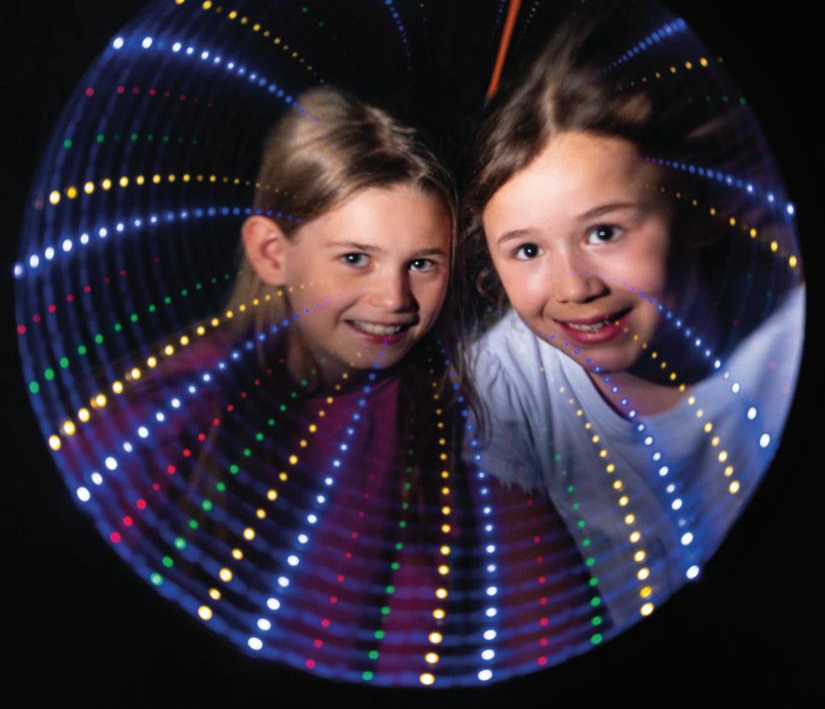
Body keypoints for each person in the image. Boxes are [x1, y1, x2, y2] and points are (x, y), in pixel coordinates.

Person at [63, 86, 603, 686]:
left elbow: (554, 616)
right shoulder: (159, 424)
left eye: (422, 264)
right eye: (355, 259)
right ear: (272, 253)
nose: (393, 299)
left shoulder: (456, 407)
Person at [463, 25, 806, 632]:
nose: (574, 288)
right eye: (526, 251)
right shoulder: (504, 378)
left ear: (697, 211)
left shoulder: (788, 338)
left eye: (605, 233)